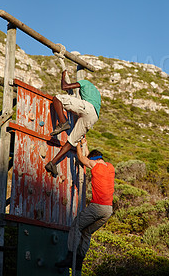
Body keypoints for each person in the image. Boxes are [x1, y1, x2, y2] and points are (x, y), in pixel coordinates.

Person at [55, 137, 115, 271]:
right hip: (108, 210)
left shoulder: (95, 165)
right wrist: (84, 144)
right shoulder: (110, 167)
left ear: (93, 160)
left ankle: (70, 256)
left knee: (76, 226)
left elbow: (82, 158)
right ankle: (80, 260)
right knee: (87, 232)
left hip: (97, 207)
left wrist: (77, 145)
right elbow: (89, 157)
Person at [45, 45, 101, 178]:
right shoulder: (96, 93)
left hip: (87, 108)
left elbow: (65, 87)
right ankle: (52, 163)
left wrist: (63, 74)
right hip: (93, 117)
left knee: (57, 99)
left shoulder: (85, 82)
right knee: (71, 142)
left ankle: (63, 123)